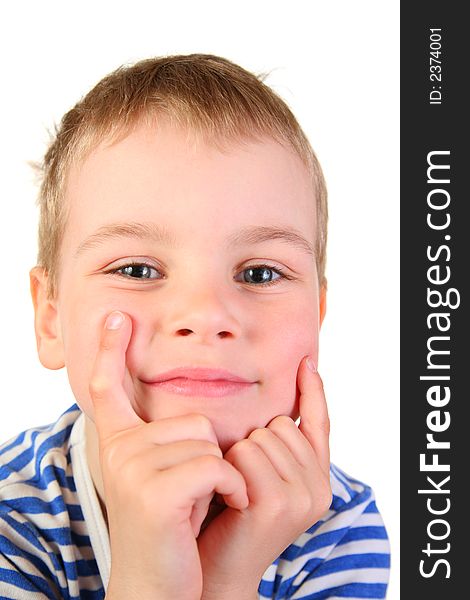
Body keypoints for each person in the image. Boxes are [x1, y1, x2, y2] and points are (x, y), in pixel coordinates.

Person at [0, 54, 390, 599]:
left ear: (317, 319)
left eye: (259, 273)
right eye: (136, 270)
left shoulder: (331, 525)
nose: (206, 315)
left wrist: (230, 580)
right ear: (50, 318)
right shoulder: (10, 524)